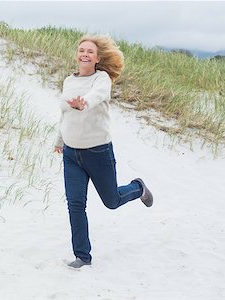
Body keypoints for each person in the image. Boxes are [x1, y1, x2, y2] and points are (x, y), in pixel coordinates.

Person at [54, 35, 154, 269]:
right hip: (71, 153)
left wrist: (83, 103)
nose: (85, 54)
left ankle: (138, 187)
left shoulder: (102, 79)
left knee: (112, 201)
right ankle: (83, 256)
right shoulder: (69, 81)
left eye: (90, 51)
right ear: (76, 55)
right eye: (81, 50)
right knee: (75, 205)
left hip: (97, 152)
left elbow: (95, 97)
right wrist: (59, 139)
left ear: (98, 58)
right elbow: (64, 113)